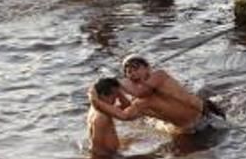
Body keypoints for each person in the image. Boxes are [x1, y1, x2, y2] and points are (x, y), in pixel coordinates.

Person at [88, 55, 225, 134]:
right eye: (128, 72)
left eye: (136, 69)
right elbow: (124, 114)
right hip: (189, 130)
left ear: (147, 68)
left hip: (206, 114)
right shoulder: (141, 102)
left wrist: (117, 83)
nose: (133, 74)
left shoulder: (160, 75)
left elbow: (142, 91)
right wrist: (97, 100)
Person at [86, 77, 129, 157]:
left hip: (110, 154)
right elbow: (96, 147)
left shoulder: (97, 108)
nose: (116, 99)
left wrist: (118, 92)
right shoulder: (102, 116)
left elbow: (126, 106)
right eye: (114, 95)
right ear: (103, 95)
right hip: (108, 157)